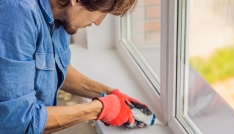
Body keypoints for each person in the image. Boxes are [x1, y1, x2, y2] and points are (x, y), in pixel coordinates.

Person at [0, 0, 151, 133]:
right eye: (102, 12)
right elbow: (18, 122)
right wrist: (99, 109)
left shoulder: (62, 14)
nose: (98, 22)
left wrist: (108, 93)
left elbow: (49, 68)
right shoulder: (17, 13)